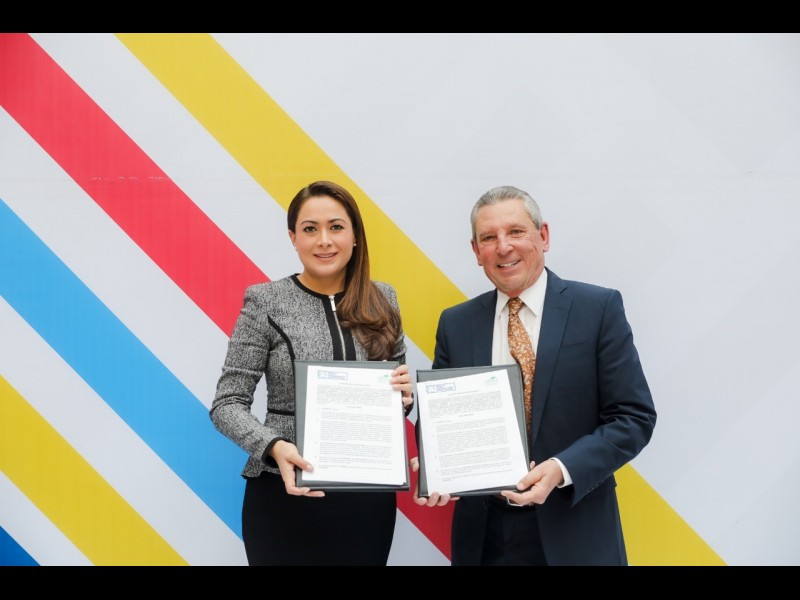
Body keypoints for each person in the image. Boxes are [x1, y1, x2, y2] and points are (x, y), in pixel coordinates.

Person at [413, 185, 656, 566]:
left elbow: (633, 418)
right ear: (476, 251)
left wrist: (560, 470)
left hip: (574, 529)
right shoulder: (456, 324)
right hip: (485, 538)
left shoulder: (597, 309)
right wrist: (434, 461)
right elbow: (439, 417)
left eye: (516, 232)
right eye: (488, 238)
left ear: (543, 236)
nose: (503, 247)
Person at [211, 180, 413, 566]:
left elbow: (398, 400)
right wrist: (274, 445)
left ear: (355, 235)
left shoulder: (383, 299)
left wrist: (403, 397)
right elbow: (227, 404)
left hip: (367, 501)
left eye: (336, 227)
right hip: (283, 495)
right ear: (293, 237)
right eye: (310, 229)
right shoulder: (266, 301)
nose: (324, 240)